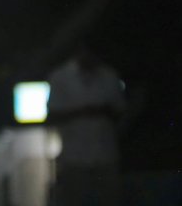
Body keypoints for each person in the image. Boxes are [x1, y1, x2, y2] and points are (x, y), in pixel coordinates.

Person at [46, 48, 126, 206]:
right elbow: (53, 114)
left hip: (105, 153)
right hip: (74, 155)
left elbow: (119, 110)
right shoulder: (61, 77)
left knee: (108, 199)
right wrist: (81, 112)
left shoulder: (109, 76)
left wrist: (102, 111)